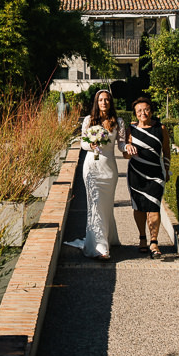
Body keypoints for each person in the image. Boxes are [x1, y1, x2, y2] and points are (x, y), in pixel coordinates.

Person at [76, 89, 128, 260]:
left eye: (106, 100)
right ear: (96, 102)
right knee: (95, 205)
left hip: (109, 168)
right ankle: (100, 247)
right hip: (91, 167)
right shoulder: (89, 121)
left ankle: (108, 237)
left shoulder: (118, 122)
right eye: (101, 100)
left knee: (106, 205)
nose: (104, 103)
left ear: (110, 102)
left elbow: (120, 145)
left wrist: (127, 147)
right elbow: (82, 143)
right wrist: (91, 144)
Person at [124, 97, 170, 259]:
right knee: (139, 206)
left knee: (154, 206)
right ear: (135, 114)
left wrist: (167, 169)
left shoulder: (161, 128)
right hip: (136, 174)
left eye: (146, 109)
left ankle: (154, 241)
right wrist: (127, 147)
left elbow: (166, 150)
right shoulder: (130, 129)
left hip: (156, 174)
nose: (143, 113)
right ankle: (142, 238)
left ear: (151, 110)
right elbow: (125, 155)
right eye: (139, 111)